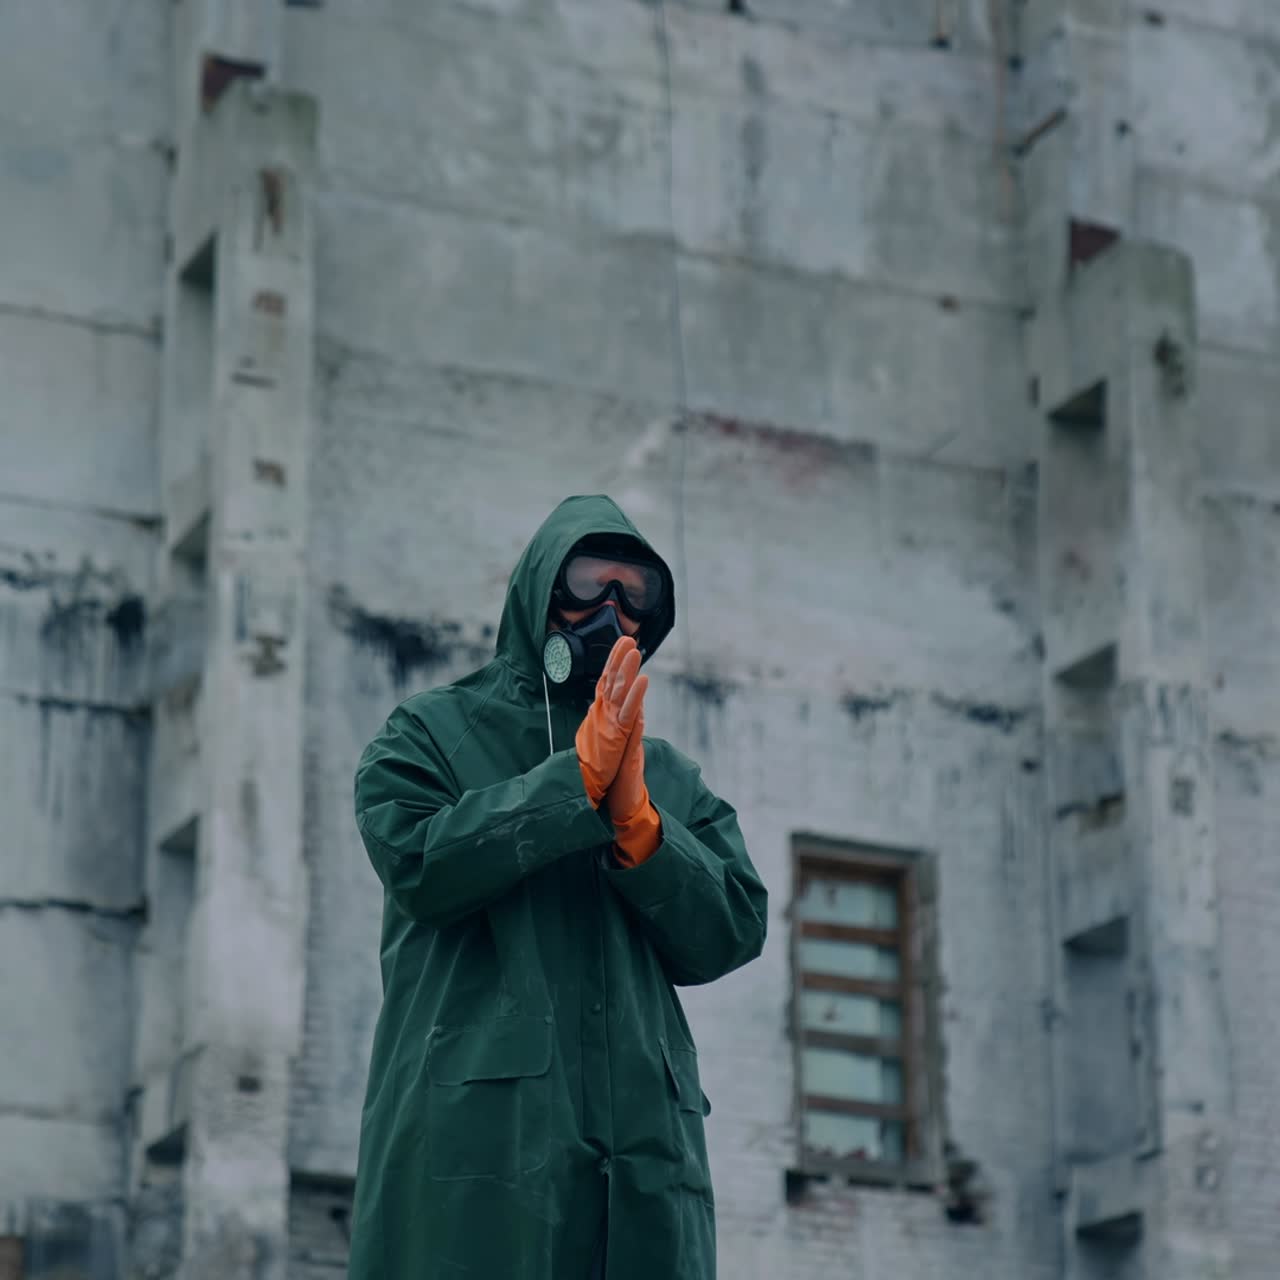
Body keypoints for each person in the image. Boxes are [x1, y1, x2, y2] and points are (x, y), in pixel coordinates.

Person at [346, 494, 768, 1280]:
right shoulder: (430, 735)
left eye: (632, 594)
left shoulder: (669, 775)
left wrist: (642, 824)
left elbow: (734, 926)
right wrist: (571, 784)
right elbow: (419, 866)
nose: (609, 611)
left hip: (645, 1163)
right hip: (484, 1152)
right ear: (538, 591)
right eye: (587, 583)